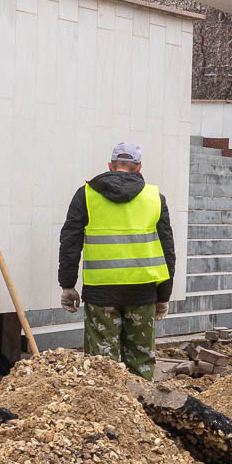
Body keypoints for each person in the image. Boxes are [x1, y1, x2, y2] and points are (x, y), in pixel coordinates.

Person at [58, 142, 175, 379]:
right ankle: (139, 412)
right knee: (141, 368)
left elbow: (70, 242)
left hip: (101, 296)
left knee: (101, 369)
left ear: (110, 166)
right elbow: (167, 250)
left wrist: (68, 285)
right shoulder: (155, 198)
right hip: (142, 295)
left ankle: (105, 414)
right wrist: (164, 296)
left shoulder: (87, 195)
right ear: (139, 168)